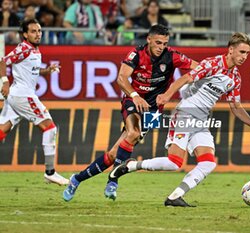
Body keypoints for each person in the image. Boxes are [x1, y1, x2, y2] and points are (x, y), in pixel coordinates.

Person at [109, 32, 250, 207]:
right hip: (185, 113)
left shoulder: (235, 78)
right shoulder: (212, 64)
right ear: (231, 50)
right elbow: (186, 77)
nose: (244, 57)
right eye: (242, 52)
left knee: (208, 163)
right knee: (174, 162)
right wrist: (166, 95)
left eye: (247, 53)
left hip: (201, 121)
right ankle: (132, 165)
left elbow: (236, 107)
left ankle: (174, 197)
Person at [62, 24, 198, 202]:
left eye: (164, 43)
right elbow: (121, 78)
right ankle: (113, 180)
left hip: (154, 110)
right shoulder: (136, 54)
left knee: (113, 154)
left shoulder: (172, 56)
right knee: (133, 133)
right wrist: (134, 95)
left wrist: (174, 91)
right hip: (133, 100)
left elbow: (200, 67)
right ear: (148, 40)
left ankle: (76, 179)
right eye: (158, 42)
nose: (161, 47)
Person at [0, 18, 68, 186]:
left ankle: (50, 172)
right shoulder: (24, 48)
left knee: (2, 130)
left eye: (39, 31)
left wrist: (47, 70)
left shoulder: (34, 50)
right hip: (23, 96)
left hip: (17, 97)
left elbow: (32, 71)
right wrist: (5, 82)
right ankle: (50, 172)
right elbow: (2, 61)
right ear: (25, 34)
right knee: (50, 128)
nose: (38, 34)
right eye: (33, 31)